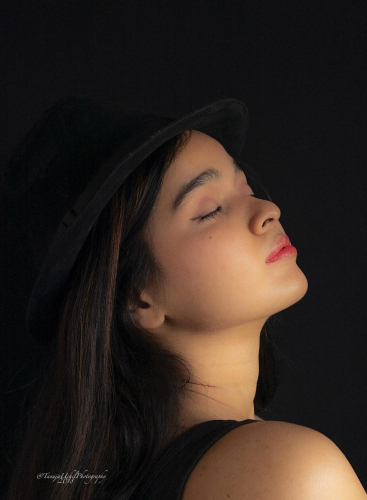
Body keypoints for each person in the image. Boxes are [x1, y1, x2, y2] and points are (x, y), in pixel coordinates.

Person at [3, 96, 366, 500]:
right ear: (139, 300)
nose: (268, 209)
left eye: (244, 185)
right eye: (210, 209)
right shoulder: (292, 472)